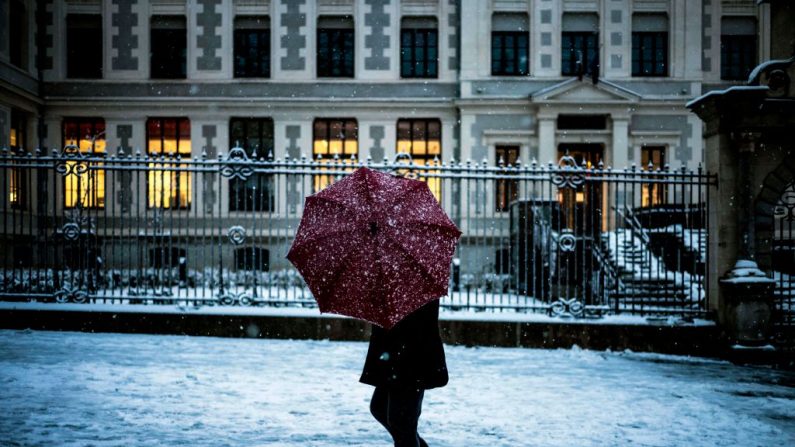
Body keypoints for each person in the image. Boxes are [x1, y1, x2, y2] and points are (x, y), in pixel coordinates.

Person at [360, 299, 448, 447]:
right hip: (394, 357)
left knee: (400, 421)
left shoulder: (416, 283)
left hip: (412, 359)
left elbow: (420, 324)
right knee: (380, 408)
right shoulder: (392, 283)